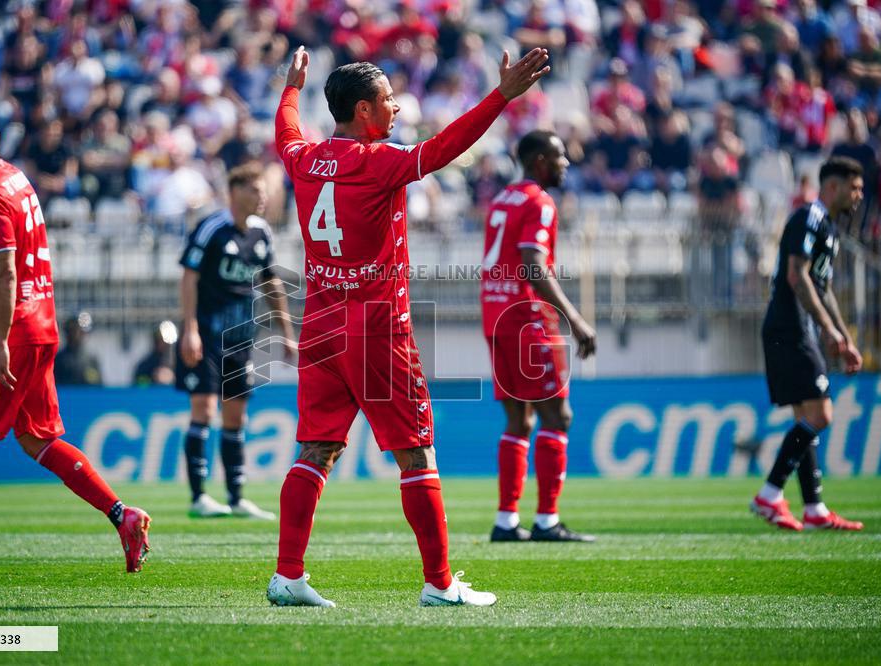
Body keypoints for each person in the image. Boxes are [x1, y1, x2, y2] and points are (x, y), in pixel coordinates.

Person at [266, 45, 550, 608]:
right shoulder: (379, 162)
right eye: (389, 100)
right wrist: (501, 97)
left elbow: (286, 130)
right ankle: (440, 583)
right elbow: (444, 150)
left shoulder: (304, 160)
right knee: (417, 453)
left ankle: (288, 575)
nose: (396, 108)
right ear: (365, 110)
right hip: (376, 329)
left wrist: (291, 85)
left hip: (321, 324)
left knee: (316, 449)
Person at [0, 106, 150, 575]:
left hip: (9, 331)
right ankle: (124, 516)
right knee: (36, 438)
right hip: (41, 325)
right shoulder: (18, 180)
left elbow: (5, 271)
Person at [482, 130, 597, 544]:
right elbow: (533, 264)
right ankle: (547, 519)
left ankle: (507, 520)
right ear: (539, 162)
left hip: (495, 314)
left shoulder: (501, 199)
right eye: (560, 156)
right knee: (557, 416)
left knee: (519, 418)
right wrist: (576, 319)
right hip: (527, 318)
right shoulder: (539, 201)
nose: (566, 162)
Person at [176, 162, 295, 520]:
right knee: (204, 411)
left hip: (242, 338)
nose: (263, 197)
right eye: (256, 190)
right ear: (236, 192)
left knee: (236, 416)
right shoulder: (211, 228)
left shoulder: (261, 233)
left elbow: (271, 283)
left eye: (264, 191)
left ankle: (236, 496)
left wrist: (286, 333)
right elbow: (188, 278)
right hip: (208, 335)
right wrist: (191, 328)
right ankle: (199, 497)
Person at [753, 156, 866, 532]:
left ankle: (814, 508)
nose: (859, 196)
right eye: (854, 188)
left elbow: (822, 287)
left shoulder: (828, 228)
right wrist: (827, 330)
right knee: (821, 415)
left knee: (806, 419)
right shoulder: (808, 218)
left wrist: (843, 336)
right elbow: (797, 276)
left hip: (797, 327)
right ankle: (770, 495)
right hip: (790, 327)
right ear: (832, 187)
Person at [54, 312, 103, 386]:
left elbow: (98, 386)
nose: (75, 334)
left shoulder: (91, 359)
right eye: (72, 330)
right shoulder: (59, 359)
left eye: (79, 330)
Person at [132, 321, 177, 386]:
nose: (162, 343)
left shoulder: (180, 363)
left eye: (166, 340)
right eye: (159, 339)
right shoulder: (145, 365)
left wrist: (173, 378)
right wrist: (153, 378)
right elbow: (138, 384)